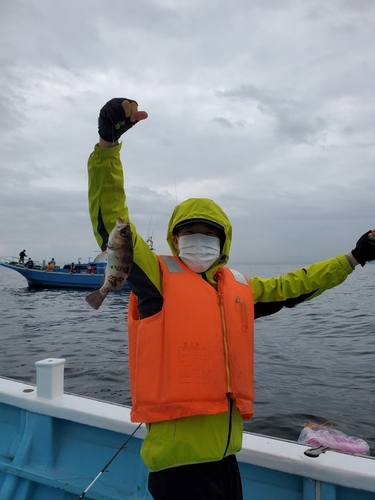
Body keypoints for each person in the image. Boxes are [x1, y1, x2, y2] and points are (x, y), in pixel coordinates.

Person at [87, 97, 375, 500]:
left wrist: (353, 258)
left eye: (210, 233)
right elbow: (113, 221)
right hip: (179, 467)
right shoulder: (156, 279)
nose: (199, 240)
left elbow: (296, 284)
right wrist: (107, 149)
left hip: (225, 455)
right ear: (174, 239)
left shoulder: (237, 290)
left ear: (223, 243)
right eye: (190, 232)